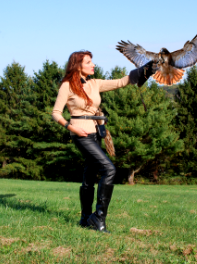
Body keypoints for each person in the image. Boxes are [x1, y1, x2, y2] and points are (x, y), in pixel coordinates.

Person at [52, 50, 153, 233]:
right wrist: (72, 128)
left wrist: (146, 69)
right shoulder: (67, 86)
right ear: (78, 65)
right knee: (109, 169)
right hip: (80, 134)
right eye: (89, 62)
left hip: (95, 133)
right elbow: (56, 113)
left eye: (92, 61)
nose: (93, 65)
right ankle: (98, 218)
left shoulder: (95, 83)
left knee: (89, 175)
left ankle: (84, 218)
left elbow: (122, 81)